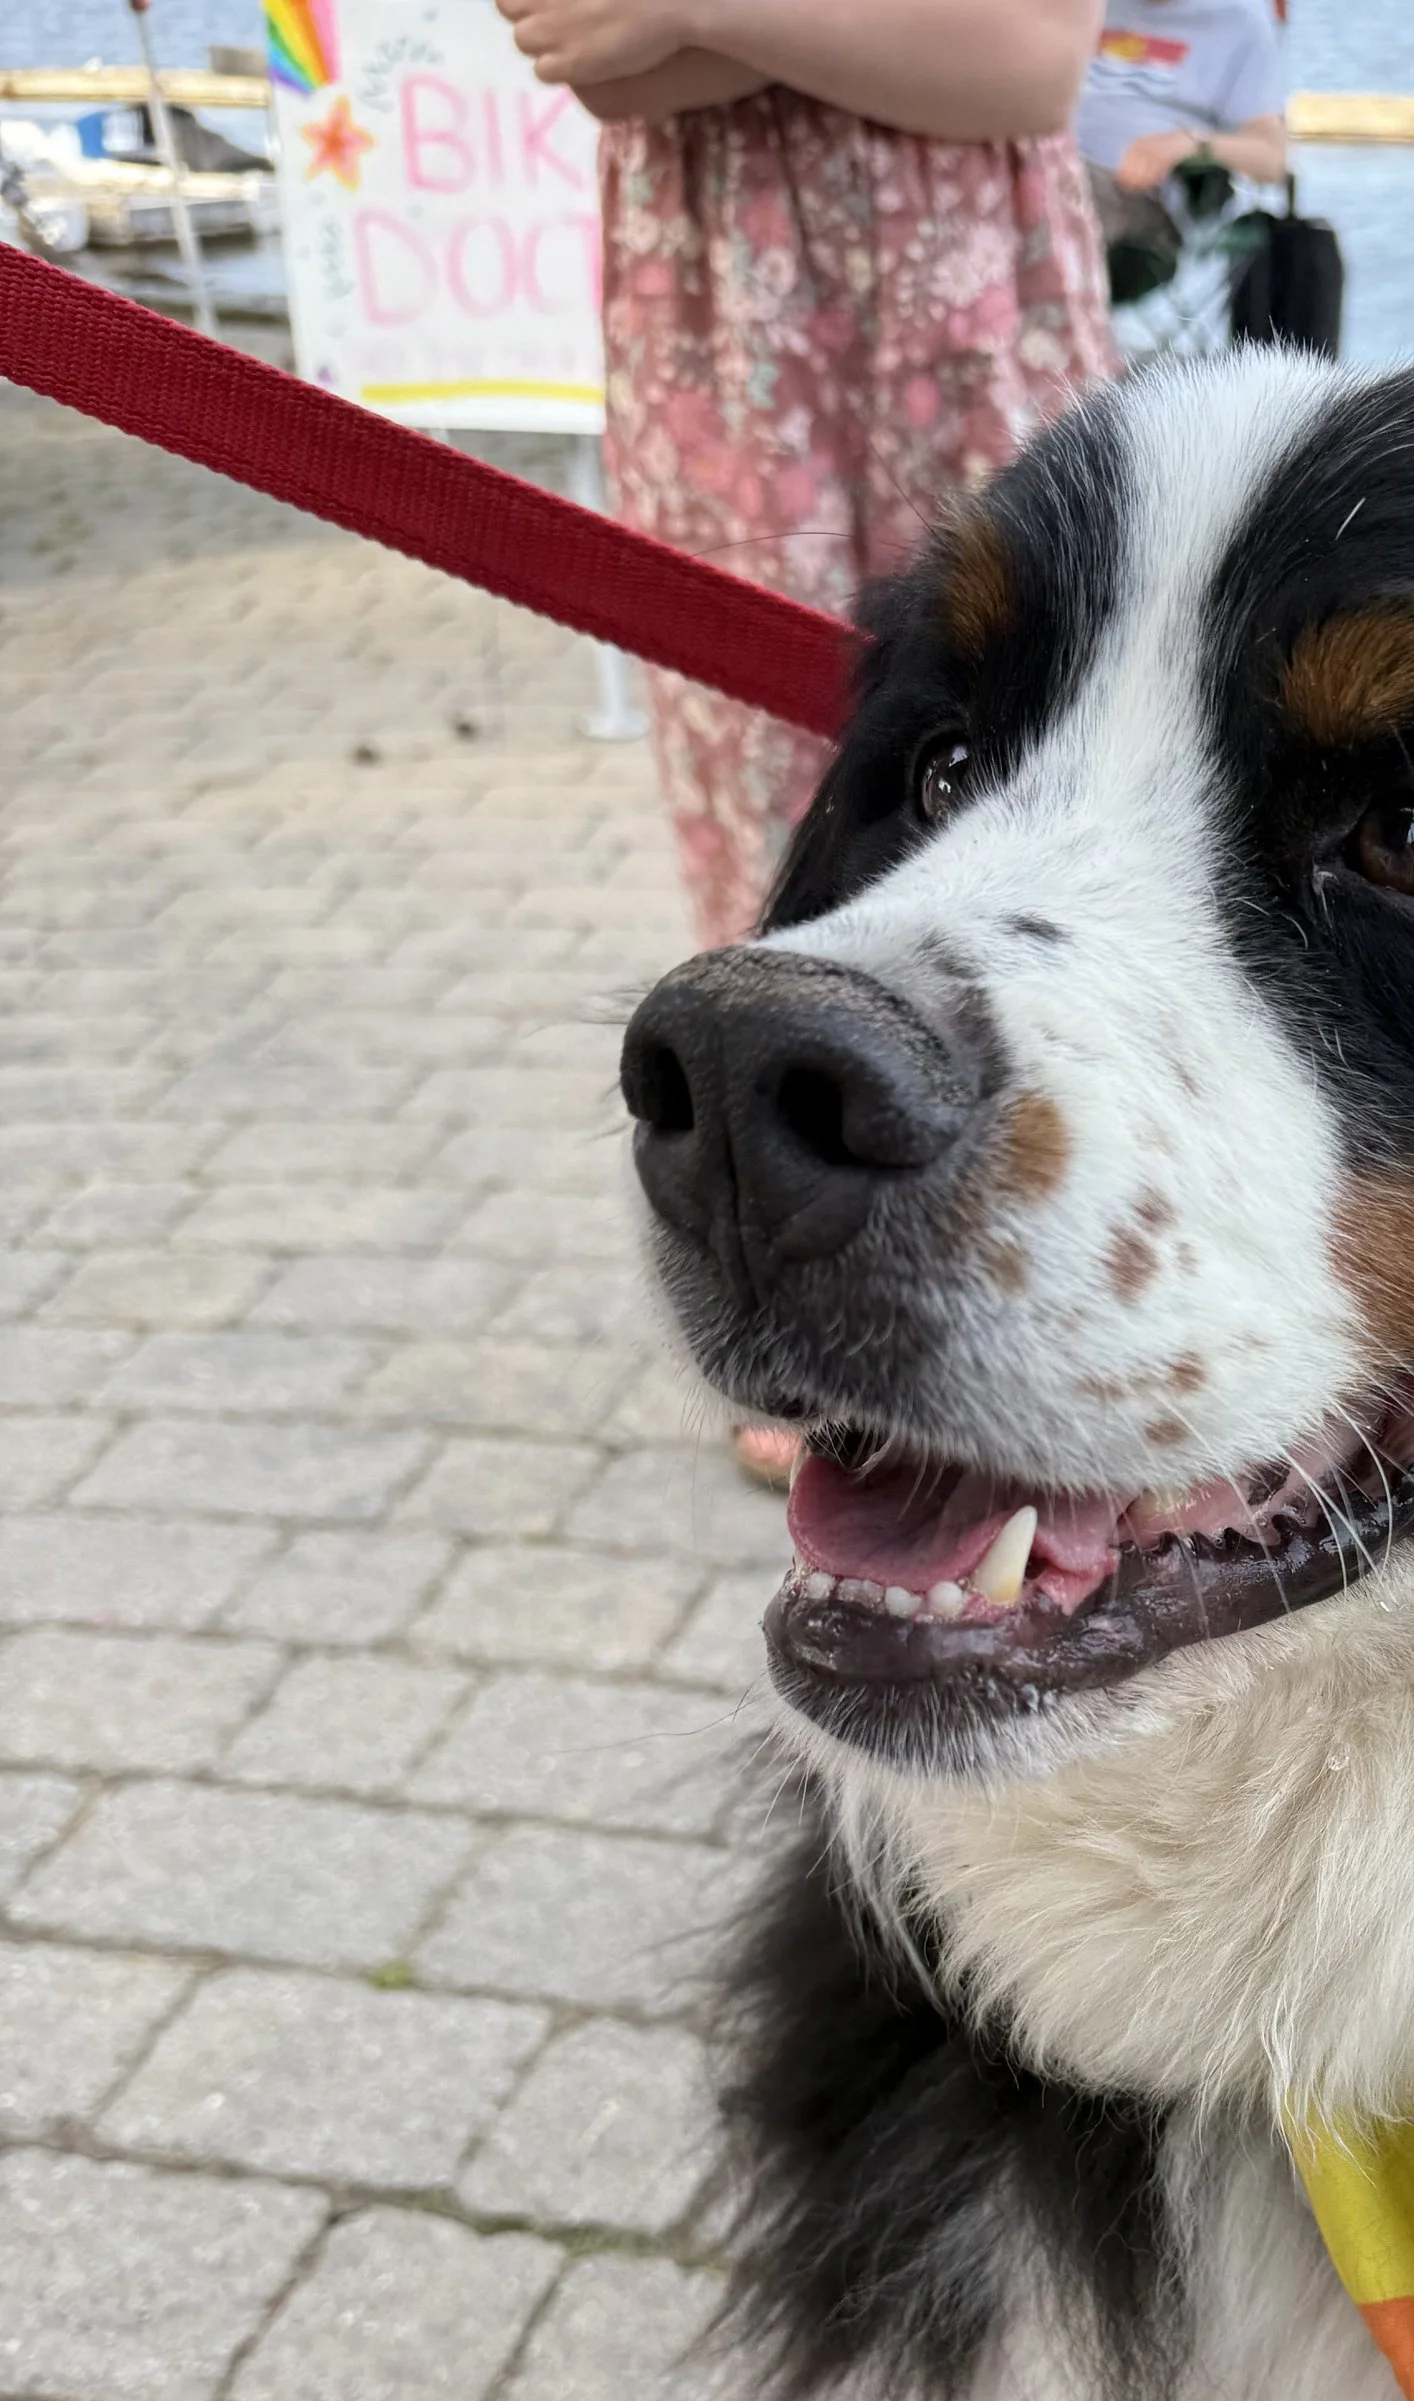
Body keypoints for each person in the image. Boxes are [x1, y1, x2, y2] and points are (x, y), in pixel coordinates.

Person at [495, 0, 1116, 1479]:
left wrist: (708, 13)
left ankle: (1056, 1254)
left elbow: (1027, 63)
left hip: (960, 308)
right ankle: (793, 1305)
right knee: (760, 825)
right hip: (725, 330)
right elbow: (588, 60)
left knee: (1052, 795)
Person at [1075, 0, 1287, 294]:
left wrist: (1192, 143)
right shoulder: (1082, 8)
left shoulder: (1238, 20)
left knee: (1063, 193)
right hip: (1053, 171)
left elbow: (1271, 159)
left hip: (1140, 204)